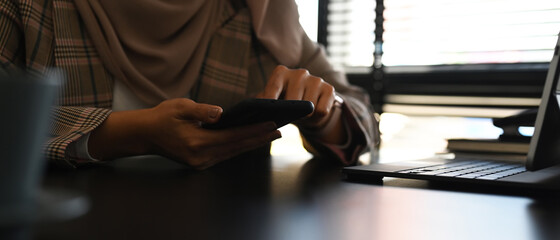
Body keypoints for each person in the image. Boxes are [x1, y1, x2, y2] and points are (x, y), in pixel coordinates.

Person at [0, 0, 379, 169]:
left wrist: (324, 114)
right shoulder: (29, 5)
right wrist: (131, 134)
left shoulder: (258, 11)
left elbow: (361, 113)